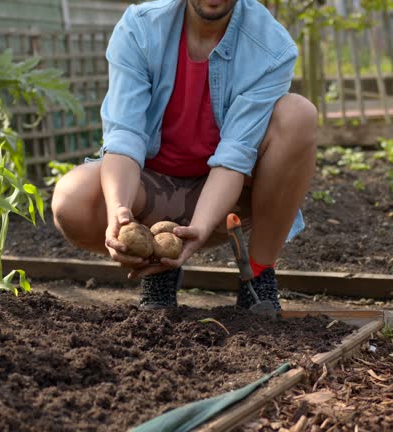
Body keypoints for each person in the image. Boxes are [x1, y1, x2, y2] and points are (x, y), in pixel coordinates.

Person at [51, 0, 317, 311]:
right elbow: (124, 137)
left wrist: (201, 227)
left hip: (228, 197)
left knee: (298, 114)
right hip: (151, 190)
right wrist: (119, 211)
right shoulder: (140, 28)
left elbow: (235, 155)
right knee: (72, 198)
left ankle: (257, 276)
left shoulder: (271, 46)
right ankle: (157, 265)